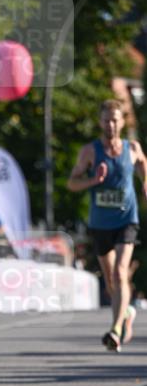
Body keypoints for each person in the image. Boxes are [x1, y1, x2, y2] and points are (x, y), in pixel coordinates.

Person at [67, 99, 147, 351]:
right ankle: (128, 314)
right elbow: (72, 183)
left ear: (122, 121)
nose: (111, 124)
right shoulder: (90, 152)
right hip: (100, 222)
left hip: (126, 219)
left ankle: (115, 330)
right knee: (112, 282)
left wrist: (145, 183)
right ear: (100, 122)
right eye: (106, 120)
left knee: (120, 272)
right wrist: (94, 180)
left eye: (115, 119)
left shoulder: (131, 148)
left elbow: (144, 164)